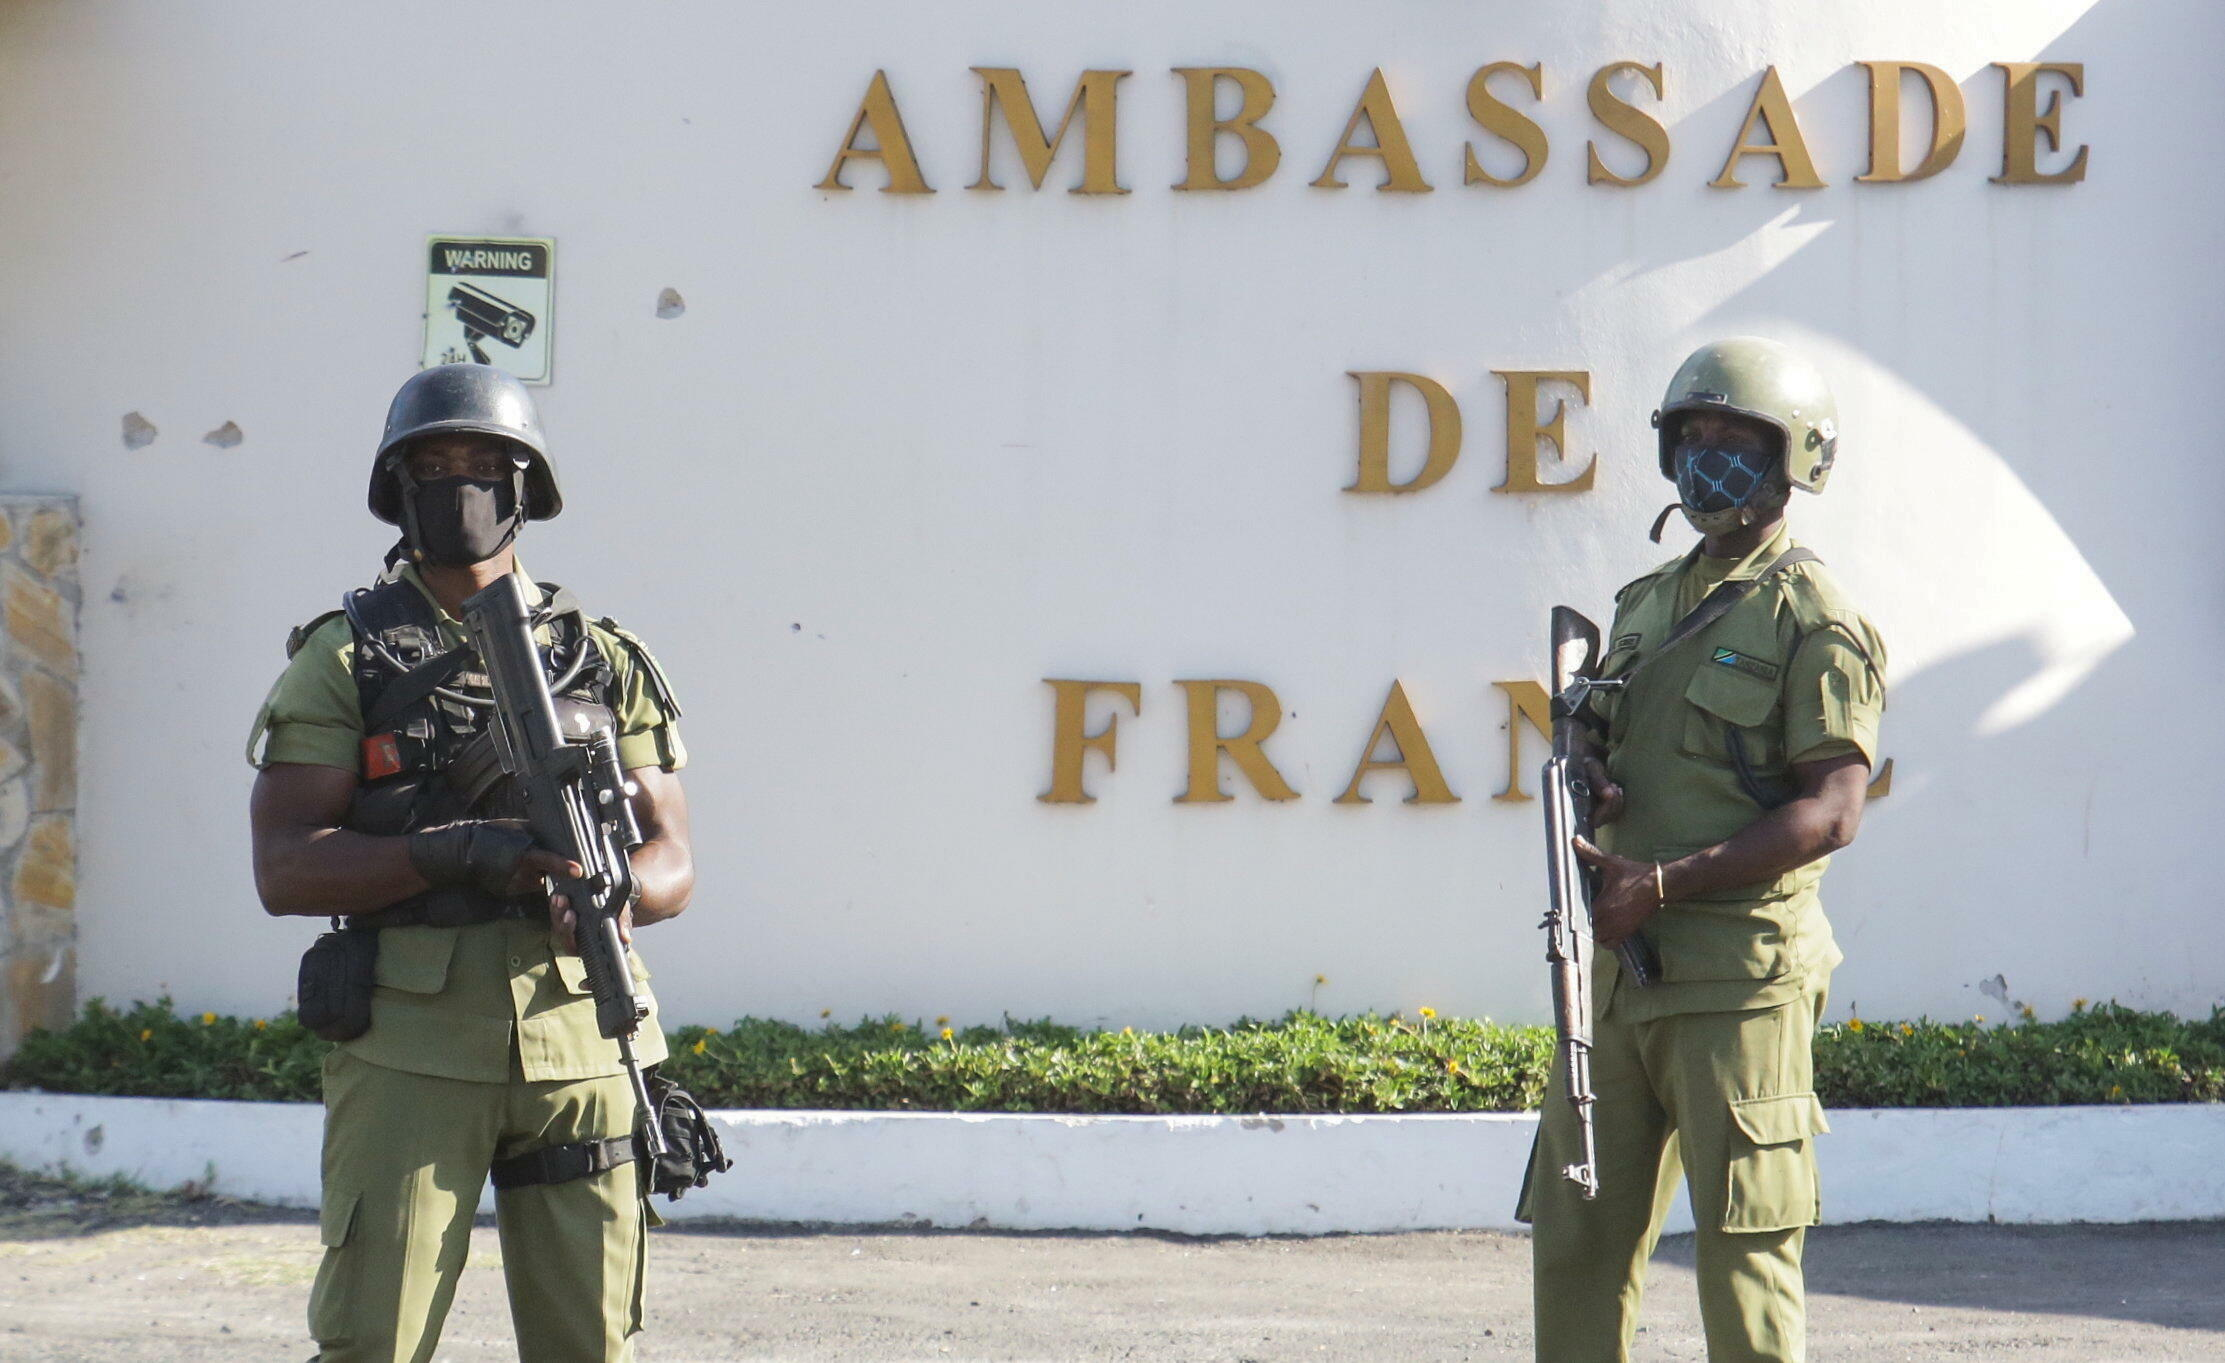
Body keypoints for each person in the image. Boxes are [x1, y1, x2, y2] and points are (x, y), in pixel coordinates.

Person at [247, 363, 693, 1363]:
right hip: (414, 1048)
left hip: (584, 1038)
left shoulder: (601, 656)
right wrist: (453, 854)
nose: (460, 485)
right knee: (374, 1344)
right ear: (397, 490)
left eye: (485, 465)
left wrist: (617, 892)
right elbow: (285, 866)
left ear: (524, 488)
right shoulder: (346, 657)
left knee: (591, 1348)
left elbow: (674, 857)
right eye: (434, 465)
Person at [1519, 337, 1886, 1363]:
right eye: (1692, 437)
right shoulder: (1641, 605)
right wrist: (1588, 768)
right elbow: (1619, 747)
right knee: (1575, 1237)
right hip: (1617, 981)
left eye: (1734, 439)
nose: (1706, 458)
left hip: (1736, 984)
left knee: (1742, 1253)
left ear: (1792, 460)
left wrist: (1666, 881)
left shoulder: (1812, 619)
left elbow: (1830, 809)